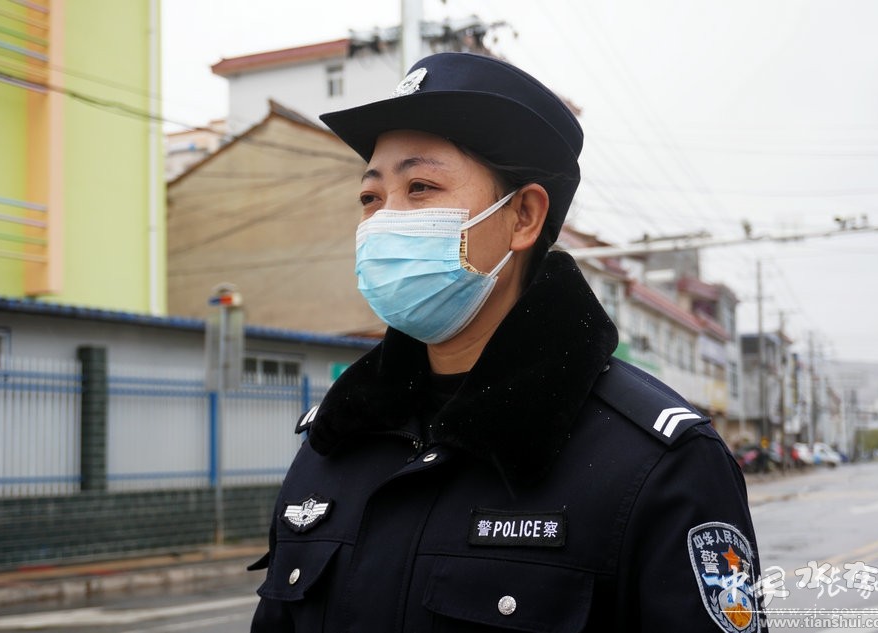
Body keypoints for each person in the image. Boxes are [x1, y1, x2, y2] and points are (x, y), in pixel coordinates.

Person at [250, 51, 766, 632]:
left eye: (420, 187)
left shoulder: (658, 466)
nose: (384, 221)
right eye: (371, 198)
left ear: (523, 216)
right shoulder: (334, 441)